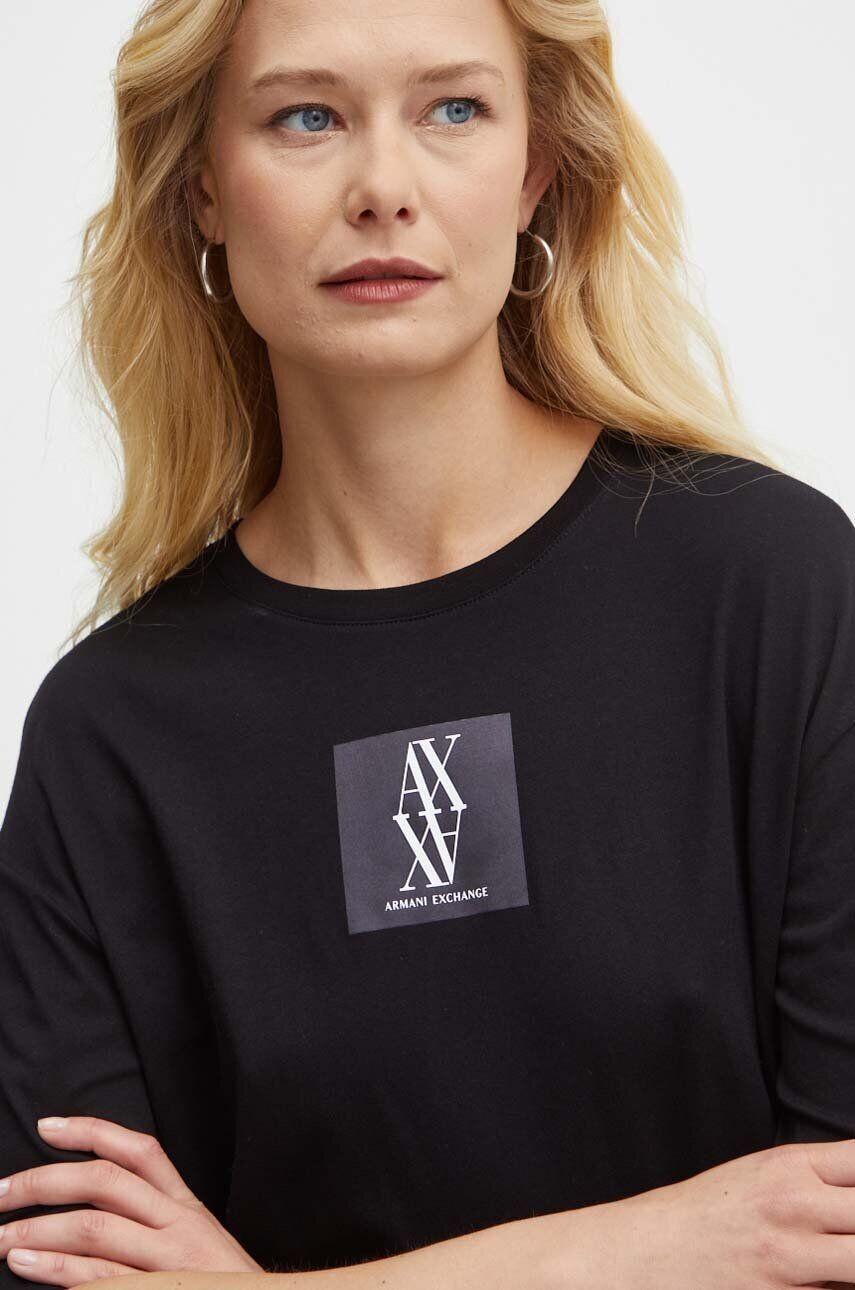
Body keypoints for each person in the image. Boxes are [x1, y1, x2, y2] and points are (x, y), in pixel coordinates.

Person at [1, 0, 854, 1287]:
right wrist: (662, 1246)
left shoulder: (774, 586)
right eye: (307, 117)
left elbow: (836, 1228)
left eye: (454, 108)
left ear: (535, 168)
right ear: (202, 191)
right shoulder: (110, 735)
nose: (383, 187)